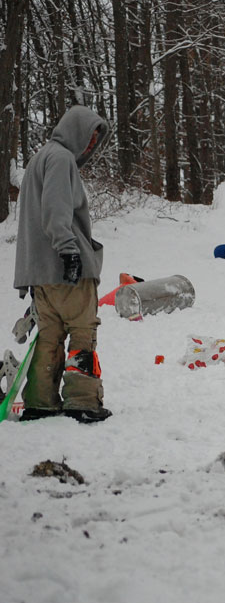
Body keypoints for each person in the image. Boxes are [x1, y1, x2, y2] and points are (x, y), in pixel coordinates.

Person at [13, 105, 111, 423]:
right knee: (82, 331)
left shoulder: (40, 157)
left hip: (42, 272)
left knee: (49, 334)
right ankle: (82, 400)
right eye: (90, 137)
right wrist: (69, 252)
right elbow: (55, 211)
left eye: (96, 140)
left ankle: (40, 401)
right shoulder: (61, 158)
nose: (91, 145)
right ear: (76, 130)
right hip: (68, 267)